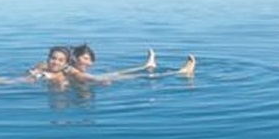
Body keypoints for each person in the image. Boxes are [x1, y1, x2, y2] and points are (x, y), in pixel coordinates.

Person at [66, 44, 195, 83]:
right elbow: (90, 79)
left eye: (90, 60)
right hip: (95, 79)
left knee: (118, 73)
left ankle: (147, 65)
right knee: (138, 76)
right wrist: (100, 81)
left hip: (94, 79)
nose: (89, 63)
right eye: (85, 59)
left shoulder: (72, 69)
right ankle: (181, 72)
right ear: (75, 58)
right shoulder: (71, 69)